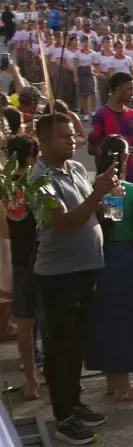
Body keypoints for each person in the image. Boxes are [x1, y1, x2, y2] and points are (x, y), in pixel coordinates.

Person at [32, 112, 120, 445]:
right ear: (42, 142)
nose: (70, 141)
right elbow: (65, 225)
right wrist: (97, 195)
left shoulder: (76, 169)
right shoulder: (38, 180)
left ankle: (74, 401)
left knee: (76, 344)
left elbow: (94, 211)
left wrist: (110, 197)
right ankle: (63, 415)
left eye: (72, 136)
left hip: (86, 269)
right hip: (58, 275)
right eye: (62, 137)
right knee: (59, 346)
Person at [84, 135, 133, 402]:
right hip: (124, 259)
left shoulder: (91, 187)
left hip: (95, 258)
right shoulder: (132, 191)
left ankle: (113, 381)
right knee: (125, 323)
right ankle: (123, 387)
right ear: (125, 159)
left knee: (105, 320)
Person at [3, 135, 40, 401]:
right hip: (44, 259)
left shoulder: (6, 187)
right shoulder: (39, 185)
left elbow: (3, 230)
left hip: (19, 259)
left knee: (24, 324)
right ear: (31, 157)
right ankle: (53, 374)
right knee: (49, 322)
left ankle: (31, 382)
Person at [87, 72, 133, 186]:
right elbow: (91, 148)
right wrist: (111, 155)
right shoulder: (101, 115)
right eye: (130, 88)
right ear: (118, 89)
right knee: (113, 204)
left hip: (132, 178)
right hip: (109, 181)